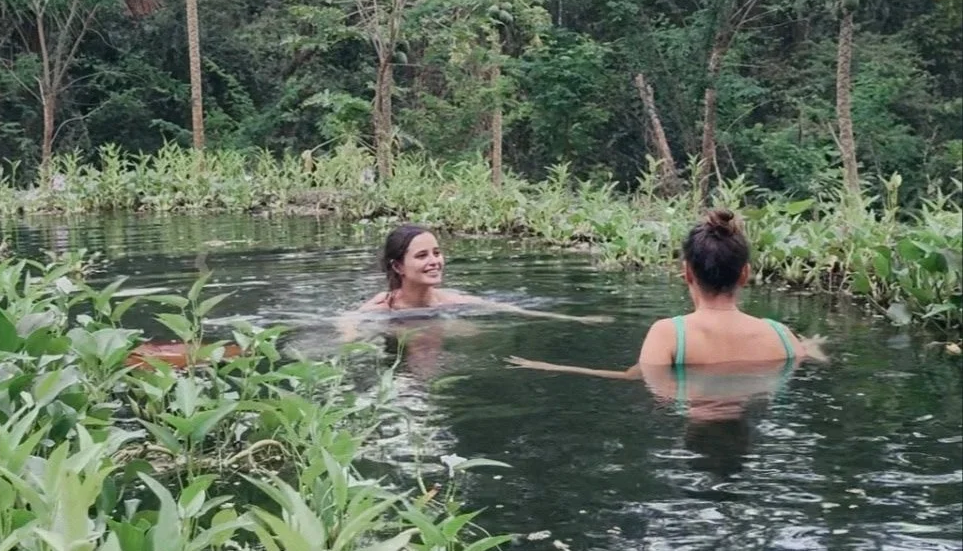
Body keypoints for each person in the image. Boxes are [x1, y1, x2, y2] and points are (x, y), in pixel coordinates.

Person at [507, 207, 824, 384]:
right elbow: (805, 357)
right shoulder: (783, 338)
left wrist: (548, 366)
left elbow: (630, 377)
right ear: (745, 273)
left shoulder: (669, 334)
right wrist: (809, 345)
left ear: (687, 273)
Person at [352, 224, 610, 323]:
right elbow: (348, 323)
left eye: (437, 253)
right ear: (398, 266)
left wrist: (573, 320)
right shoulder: (382, 307)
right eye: (422, 256)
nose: (434, 261)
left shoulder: (450, 300)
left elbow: (507, 309)